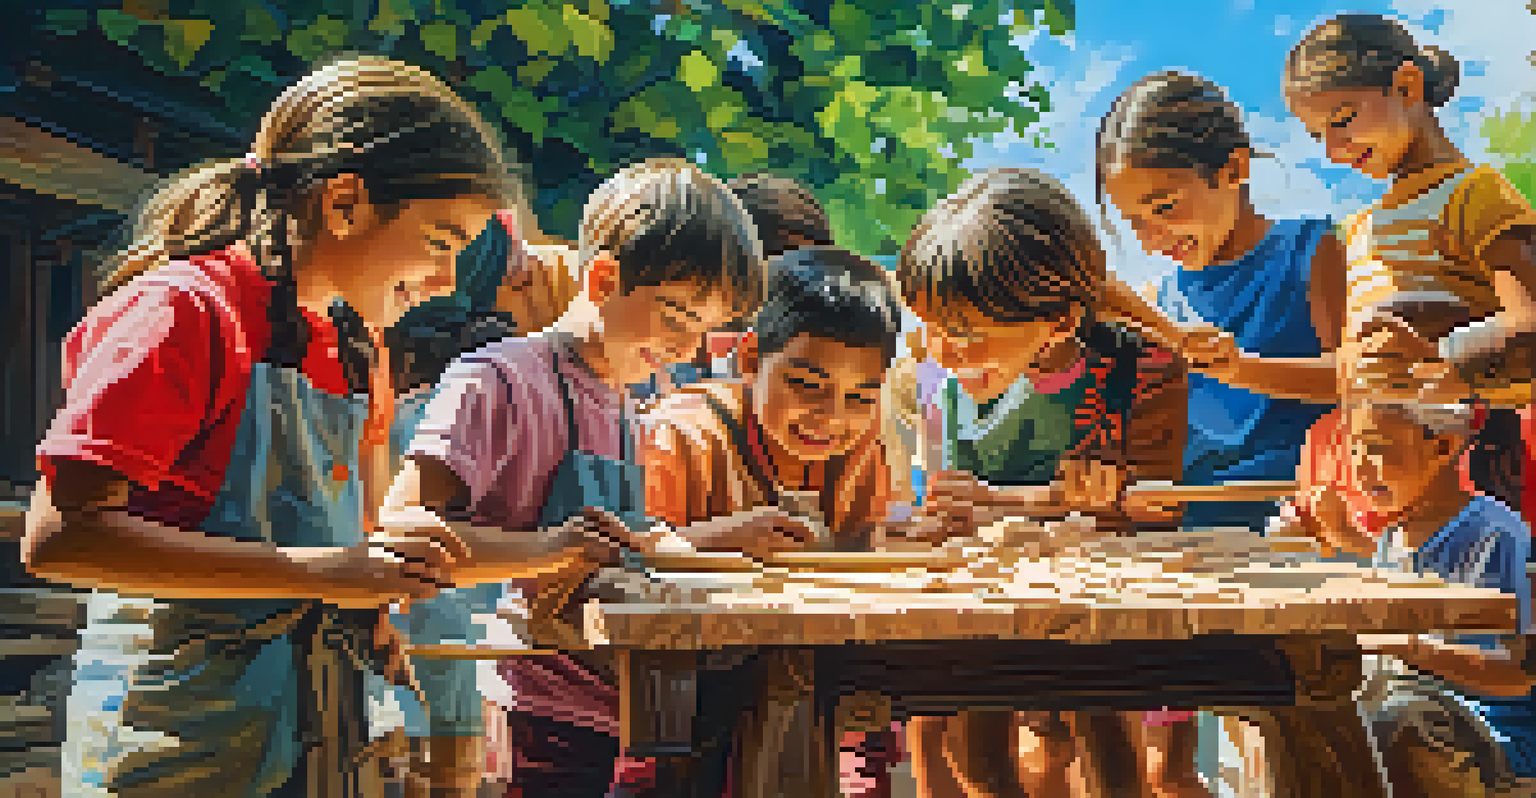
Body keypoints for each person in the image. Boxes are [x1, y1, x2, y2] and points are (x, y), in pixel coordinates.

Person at [21, 56, 509, 796]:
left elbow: (353, 541)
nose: (446, 282)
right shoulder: (184, 314)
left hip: (314, 732)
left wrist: (379, 587)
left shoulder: (353, 346)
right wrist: (321, 573)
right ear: (344, 203)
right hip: (176, 739)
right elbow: (61, 537)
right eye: (441, 242)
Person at [379, 158, 813, 797]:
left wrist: (721, 536)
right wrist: (544, 551)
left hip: (612, 698)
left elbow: (615, 543)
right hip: (535, 703)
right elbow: (402, 533)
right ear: (605, 278)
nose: (686, 350)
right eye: (675, 316)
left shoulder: (621, 403)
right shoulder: (497, 381)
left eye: (702, 331)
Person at [889, 168, 1189, 798]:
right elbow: (942, 501)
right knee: (968, 748)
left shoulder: (1140, 372)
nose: (943, 352)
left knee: (1104, 737)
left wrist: (1012, 505)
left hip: (1099, 612)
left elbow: (1154, 511)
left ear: (1057, 323)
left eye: (967, 336)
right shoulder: (939, 372)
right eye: (930, 329)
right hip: (980, 605)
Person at [640, 246, 906, 797]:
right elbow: (621, 560)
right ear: (751, 358)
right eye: (807, 386)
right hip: (677, 697)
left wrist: (892, 540)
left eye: (860, 396)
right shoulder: (682, 437)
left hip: (812, 688)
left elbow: (859, 548)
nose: (831, 417)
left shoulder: (860, 448)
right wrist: (713, 542)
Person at [1282, 14, 1533, 512]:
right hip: (1384, 486)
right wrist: (1239, 368)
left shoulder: (1477, 196)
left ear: (1407, 86)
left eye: (1342, 120)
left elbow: (1528, 322)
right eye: (1318, 137)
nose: (1334, 150)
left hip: (1476, 478)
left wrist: (1448, 358)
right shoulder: (1357, 230)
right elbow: (1354, 372)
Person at [1098, 71, 1342, 535]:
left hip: (1305, 533)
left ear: (1234, 170)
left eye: (1165, 208)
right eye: (1135, 223)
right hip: (1197, 538)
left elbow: (1358, 381)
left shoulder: (1314, 252)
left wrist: (1239, 369)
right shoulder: (1158, 302)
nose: (1152, 240)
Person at [1342, 400, 1535, 796]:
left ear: (1444, 446)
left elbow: (1516, 677)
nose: (1360, 470)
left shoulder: (1495, 534)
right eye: (1354, 450)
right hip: (1409, 707)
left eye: (1376, 447)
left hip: (1492, 740)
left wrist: (1402, 645)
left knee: (1395, 720)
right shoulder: (1393, 539)